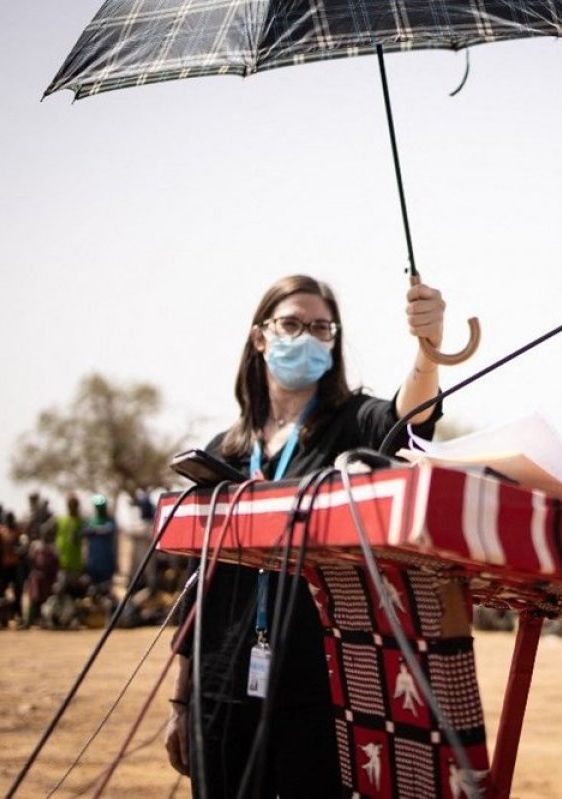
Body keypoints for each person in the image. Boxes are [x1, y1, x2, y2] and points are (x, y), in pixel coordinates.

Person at [163, 274, 446, 798]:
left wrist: (427, 353)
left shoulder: (352, 424)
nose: (307, 337)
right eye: (291, 324)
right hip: (219, 689)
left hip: (317, 687)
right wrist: (182, 701)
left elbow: (410, 421)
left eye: (321, 328)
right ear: (260, 337)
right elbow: (198, 586)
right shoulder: (223, 450)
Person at [81, 495, 117, 591]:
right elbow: (85, 532)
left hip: (106, 561)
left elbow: (109, 530)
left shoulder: (110, 520)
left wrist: (95, 530)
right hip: (93, 561)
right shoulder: (90, 520)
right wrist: (98, 530)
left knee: (106, 589)